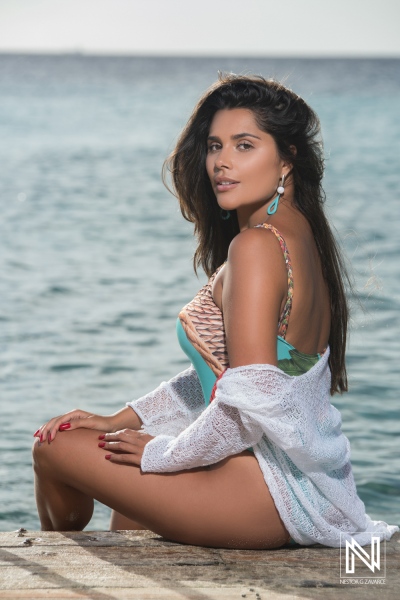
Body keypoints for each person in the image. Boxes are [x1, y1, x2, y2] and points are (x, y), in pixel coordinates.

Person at [32, 74, 398, 549]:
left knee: (53, 445)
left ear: (287, 158)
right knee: (124, 505)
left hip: (272, 493)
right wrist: (121, 419)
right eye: (214, 145)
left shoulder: (258, 247)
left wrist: (162, 453)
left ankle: (57, 565)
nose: (221, 161)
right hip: (304, 487)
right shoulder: (301, 236)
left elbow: (244, 408)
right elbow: (230, 377)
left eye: (244, 145)